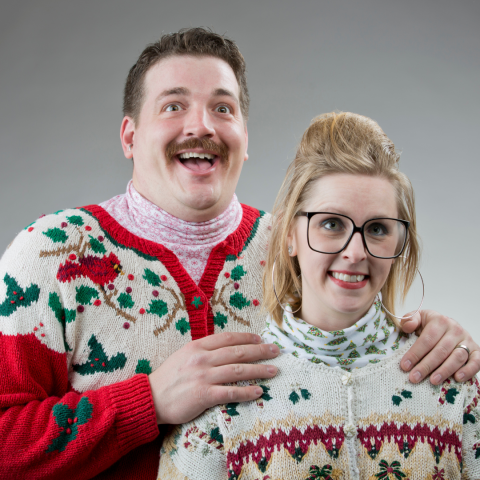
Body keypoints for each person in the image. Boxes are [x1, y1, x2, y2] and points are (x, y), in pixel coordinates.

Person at [0, 29, 477, 479]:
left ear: (245, 138)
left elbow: (359, 358)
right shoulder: (50, 255)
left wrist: (433, 338)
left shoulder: (302, 245)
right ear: (129, 136)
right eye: (173, 106)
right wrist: (149, 402)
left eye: (223, 109)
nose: (202, 125)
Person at [158, 111, 480, 480]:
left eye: (377, 228)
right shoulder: (221, 402)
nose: (356, 252)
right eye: (331, 224)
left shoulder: (456, 386)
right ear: (288, 234)